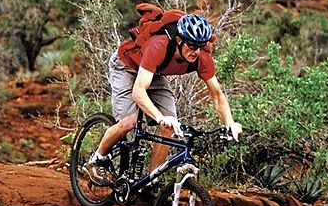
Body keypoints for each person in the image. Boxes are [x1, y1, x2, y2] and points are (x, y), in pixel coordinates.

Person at [84, 13, 242, 185]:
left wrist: (230, 123)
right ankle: (96, 159)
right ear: (179, 40)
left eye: (199, 46)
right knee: (128, 122)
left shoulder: (201, 56)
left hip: (154, 72)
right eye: (191, 45)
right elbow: (138, 92)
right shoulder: (158, 45)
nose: (195, 51)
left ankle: (150, 180)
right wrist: (159, 117)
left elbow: (217, 95)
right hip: (126, 66)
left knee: (170, 129)